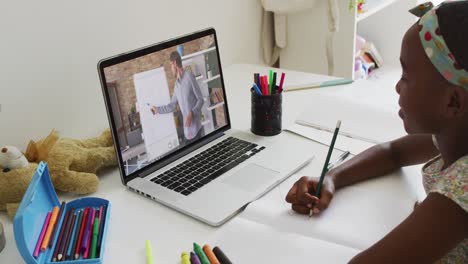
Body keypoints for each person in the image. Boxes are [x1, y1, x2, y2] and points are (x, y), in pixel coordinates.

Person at [285, 1, 468, 263]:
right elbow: (393, 153)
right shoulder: (455, 132)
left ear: (453, 102)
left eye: (406, 75)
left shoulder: (462, 187)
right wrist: (332, 178)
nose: (397, 87)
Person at [151, 51, 204, 144]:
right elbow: (171, 106)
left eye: (171, 65)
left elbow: (200, 99)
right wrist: (157, 110)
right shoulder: (176, 86)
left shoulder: (189, 76)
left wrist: (192, 113)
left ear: (175, 63)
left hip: (197, 132)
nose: (171, 69)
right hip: (187, 133)